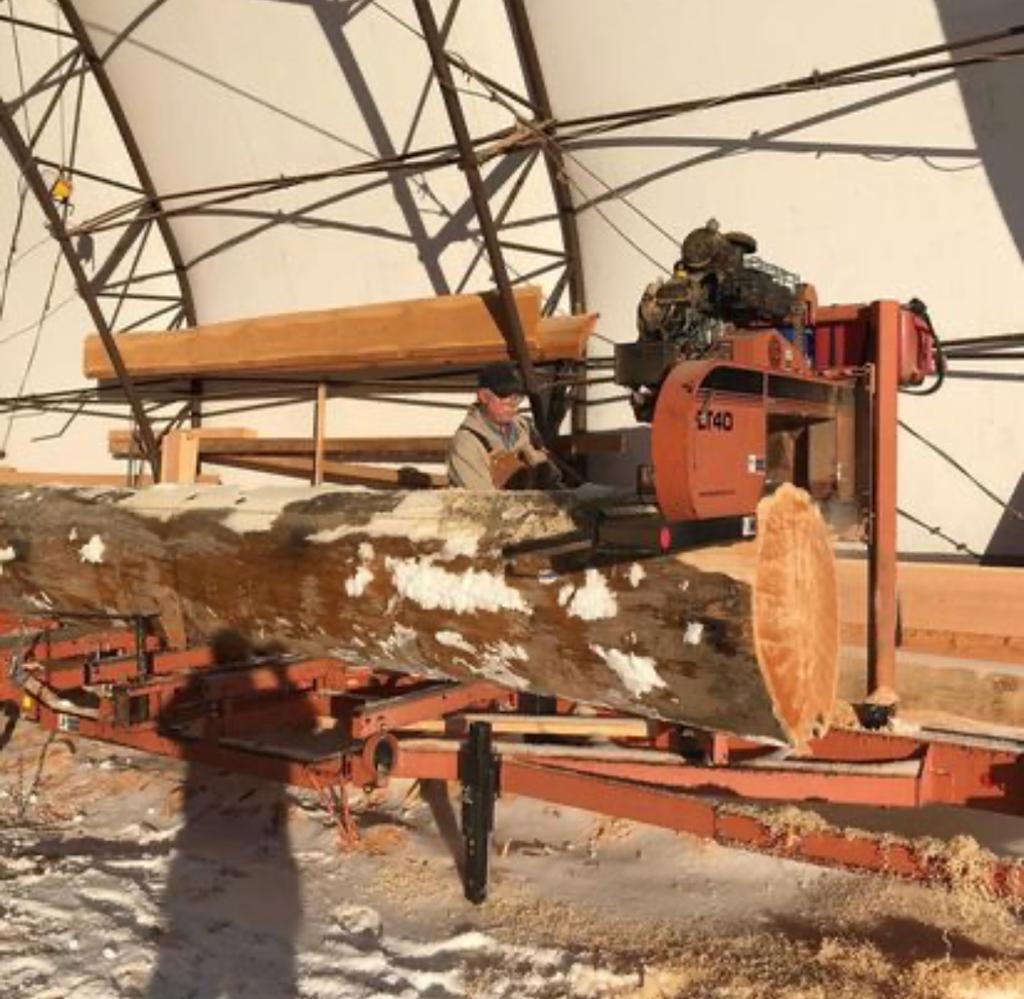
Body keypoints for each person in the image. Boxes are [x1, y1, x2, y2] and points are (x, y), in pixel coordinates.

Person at [447, 362, 565, 491]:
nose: (512, 404)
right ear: (483, 396)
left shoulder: (525, 428)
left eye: (516, 397)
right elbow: (481, 502)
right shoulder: (466, 444)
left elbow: (553, 483)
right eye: (504, 397)